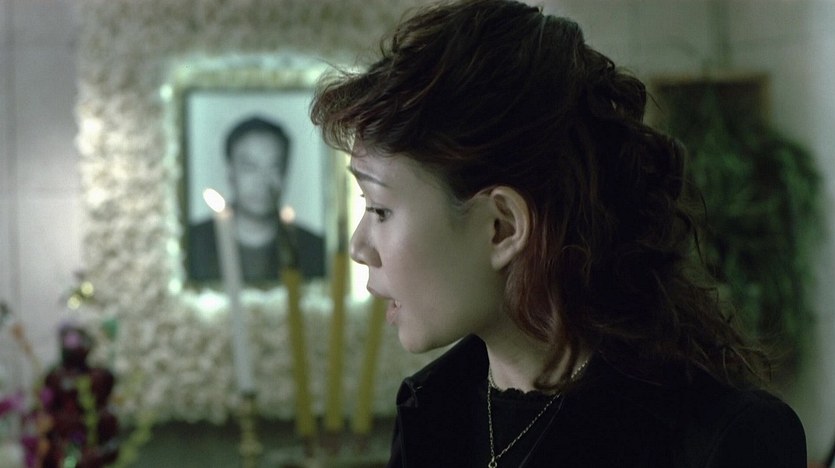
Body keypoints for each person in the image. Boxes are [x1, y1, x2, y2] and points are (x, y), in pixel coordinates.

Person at [310, 0, 807, 466]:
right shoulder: (432, 414)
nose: (358, 247)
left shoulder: (722, 440)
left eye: (379, 209)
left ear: (502, 227)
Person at [188, 116, 325, 284]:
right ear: (230, 172)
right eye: (250, 167)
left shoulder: (314, 249)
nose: (262, 182)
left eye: (274, 167)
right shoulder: (192, 244)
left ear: (285, 172)